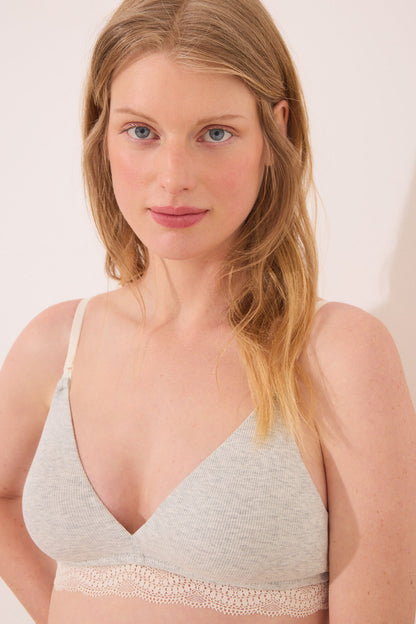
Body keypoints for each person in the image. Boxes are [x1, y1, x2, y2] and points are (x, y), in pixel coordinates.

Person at [1, 0, 415, 622]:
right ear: (103, 131)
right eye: (141, 132)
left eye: (215, 133)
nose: (173, 178)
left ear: (275, 134)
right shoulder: (57, 343)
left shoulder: (338, 354)